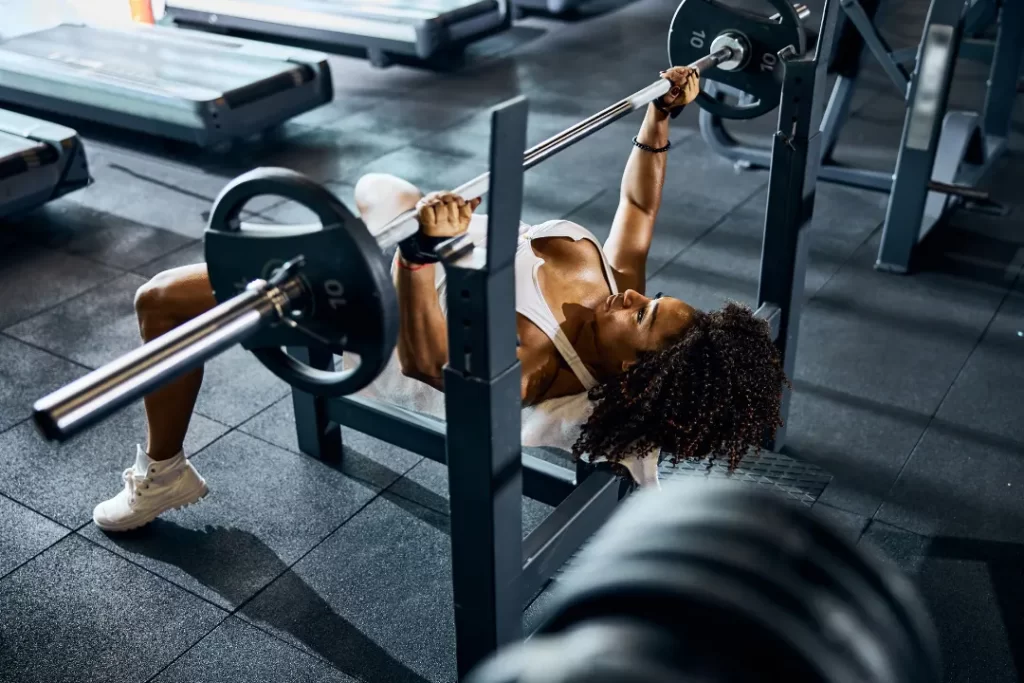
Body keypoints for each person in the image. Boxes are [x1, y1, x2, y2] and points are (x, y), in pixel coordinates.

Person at [92, 66, 789, 532]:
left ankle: (164, 472)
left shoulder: (540, 360)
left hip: (381, 299)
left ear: (633, 372)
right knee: (380, 187)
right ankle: (367, 231)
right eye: (651, 296)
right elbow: (637, 206)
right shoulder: (611, 289)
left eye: (640, 315)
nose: (633, 293)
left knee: (159, 300)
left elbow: (426, 359)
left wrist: (420, 254)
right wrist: (660, 119)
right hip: (434, 233)